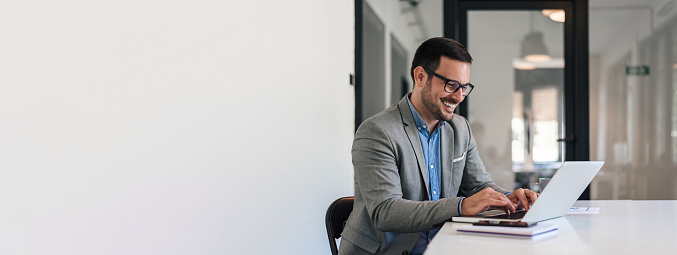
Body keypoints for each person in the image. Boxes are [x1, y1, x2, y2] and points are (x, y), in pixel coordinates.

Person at [339, 37, 539, 255]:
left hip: (444, 246)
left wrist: (508, 198)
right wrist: (461, 206)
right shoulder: (377, 131)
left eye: (464, 87)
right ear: (420, 76)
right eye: (451, 85)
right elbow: (385, 212)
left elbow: (479, 186)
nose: (459, 96)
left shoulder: (460, 129)